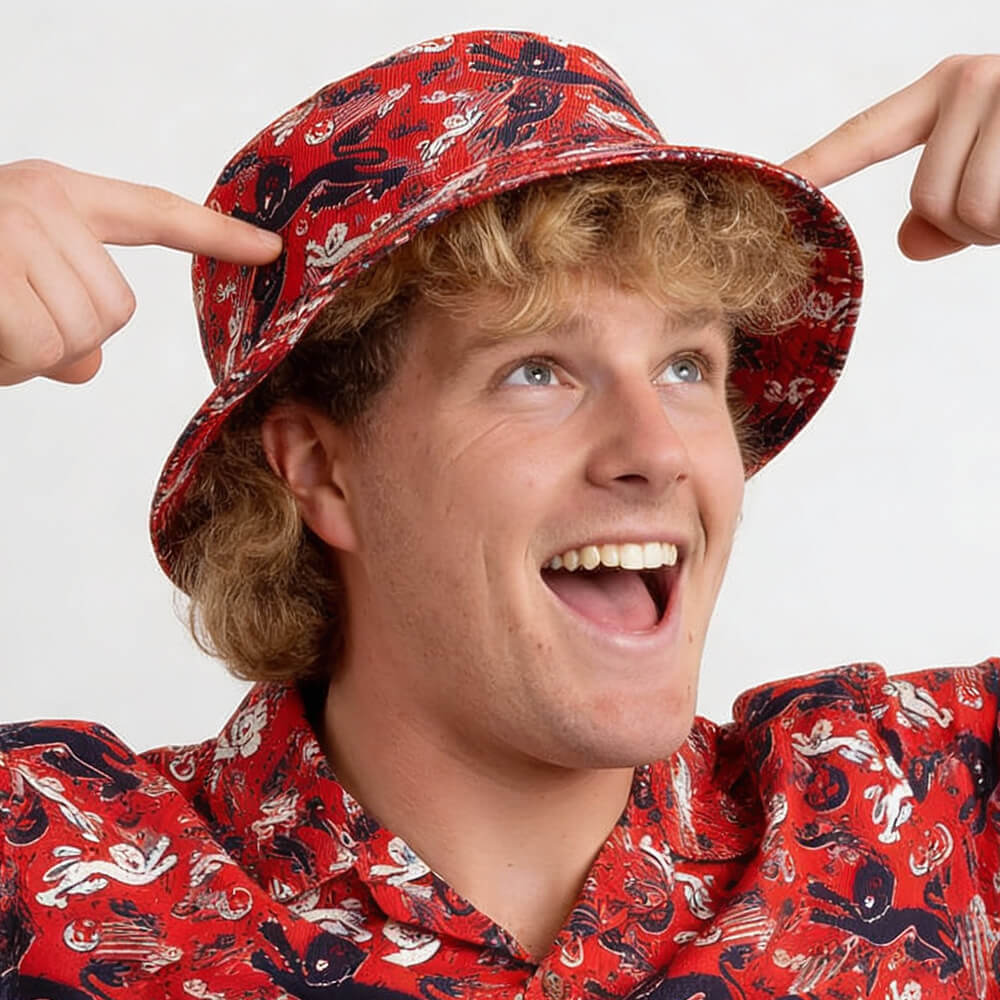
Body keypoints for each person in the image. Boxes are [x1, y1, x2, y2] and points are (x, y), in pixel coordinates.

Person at [1, 28, 997, 1000]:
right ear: (321, 471)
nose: (657, 451)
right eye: (537, 370)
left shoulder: (929, 808)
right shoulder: (42, 861)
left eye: (685, 366)